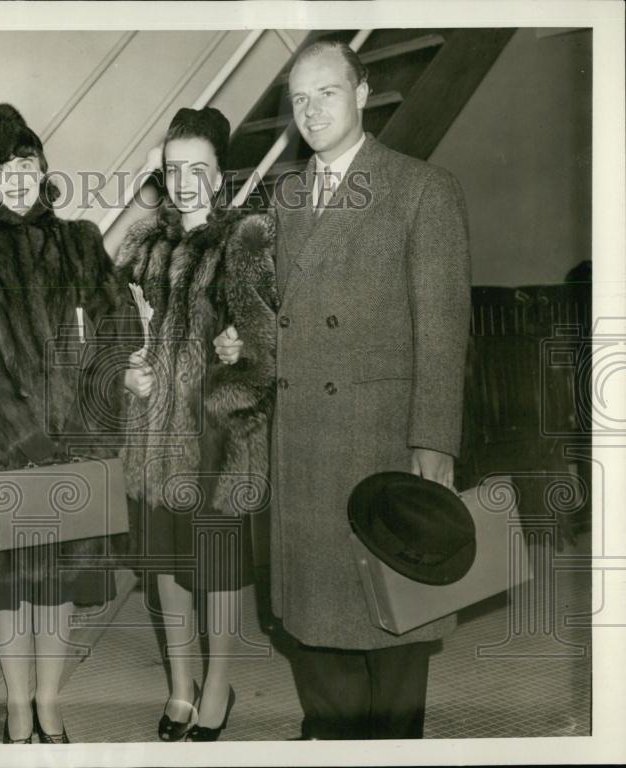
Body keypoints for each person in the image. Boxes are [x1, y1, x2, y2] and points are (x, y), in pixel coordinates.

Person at [217, 40, 471, 739]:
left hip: (381, 437)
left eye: (326, 92)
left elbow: (444, 330)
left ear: (362, 94)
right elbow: (278, 314)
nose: (310, 110)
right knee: (314, 620)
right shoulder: (288, 195)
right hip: (303, 437)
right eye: (298, 99)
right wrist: (246, 342)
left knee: (394, 618)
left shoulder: (421, 187)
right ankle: (328, 739)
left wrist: (434, 441)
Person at [0, 103, 131, 744]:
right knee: (8, 589)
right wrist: (25, 440)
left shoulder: (80, 240)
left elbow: (120, 327)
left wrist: (90, 425)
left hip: (75, 445)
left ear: (43, 170)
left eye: (28, 165)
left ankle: (49, 701)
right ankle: (15, 705)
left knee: (59, 581)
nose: (17, 179)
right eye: (3, 169)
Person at [118, 107, 277, 742]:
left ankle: (218, 686)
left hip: (217, 438)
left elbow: (272, 339)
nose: (184, 181)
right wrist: (127, 366)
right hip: (155, 434)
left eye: (198, 169)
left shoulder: (247, 238)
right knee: (164, 567)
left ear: (219, 175)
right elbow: (116, 332)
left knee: (217, 569)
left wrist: (247, 348)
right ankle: (180, 686)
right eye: (174, 168)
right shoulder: (142, 244)